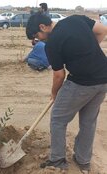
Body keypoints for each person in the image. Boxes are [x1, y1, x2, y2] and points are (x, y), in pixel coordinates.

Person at [26, 13, 107, 172]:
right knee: (88, 122)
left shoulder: (52, 43)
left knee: (57, 119)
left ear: (43, 27)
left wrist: (54, 94)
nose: (39, 40)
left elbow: (59, 75)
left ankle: (57, 160)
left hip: (82, 82)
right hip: (103, 79)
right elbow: (103, 30)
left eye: (38, 36)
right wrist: (89, 53)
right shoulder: (77, 19)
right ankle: (83, 161)